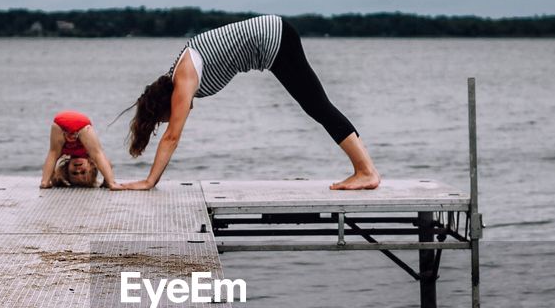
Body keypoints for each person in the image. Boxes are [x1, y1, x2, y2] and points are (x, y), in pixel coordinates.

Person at [117, 15, 380, 191]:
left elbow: (172, 137)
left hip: (275, 38)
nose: (171, 118)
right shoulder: (182, 73)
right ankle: (365, 169)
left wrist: (150, 181)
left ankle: (366, 171)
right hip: (275, 38)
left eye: (163, 118)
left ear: (164, 103)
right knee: (317, 107)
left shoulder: (183, 79)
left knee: (319, 107)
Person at [39, 110, 119, 189]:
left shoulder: (62, 152)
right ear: (91, 167)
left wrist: (50, 179)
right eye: (83, 172)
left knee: (53, 153)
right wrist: (107, 182)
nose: (78, 170)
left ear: (67, 168)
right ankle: (112, 183)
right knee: (98, 153)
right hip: (82, 125)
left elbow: (52, 158)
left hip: (60, 123)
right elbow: (106, 162)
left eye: (74, 173)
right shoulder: (89, 153)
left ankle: (44, 182)